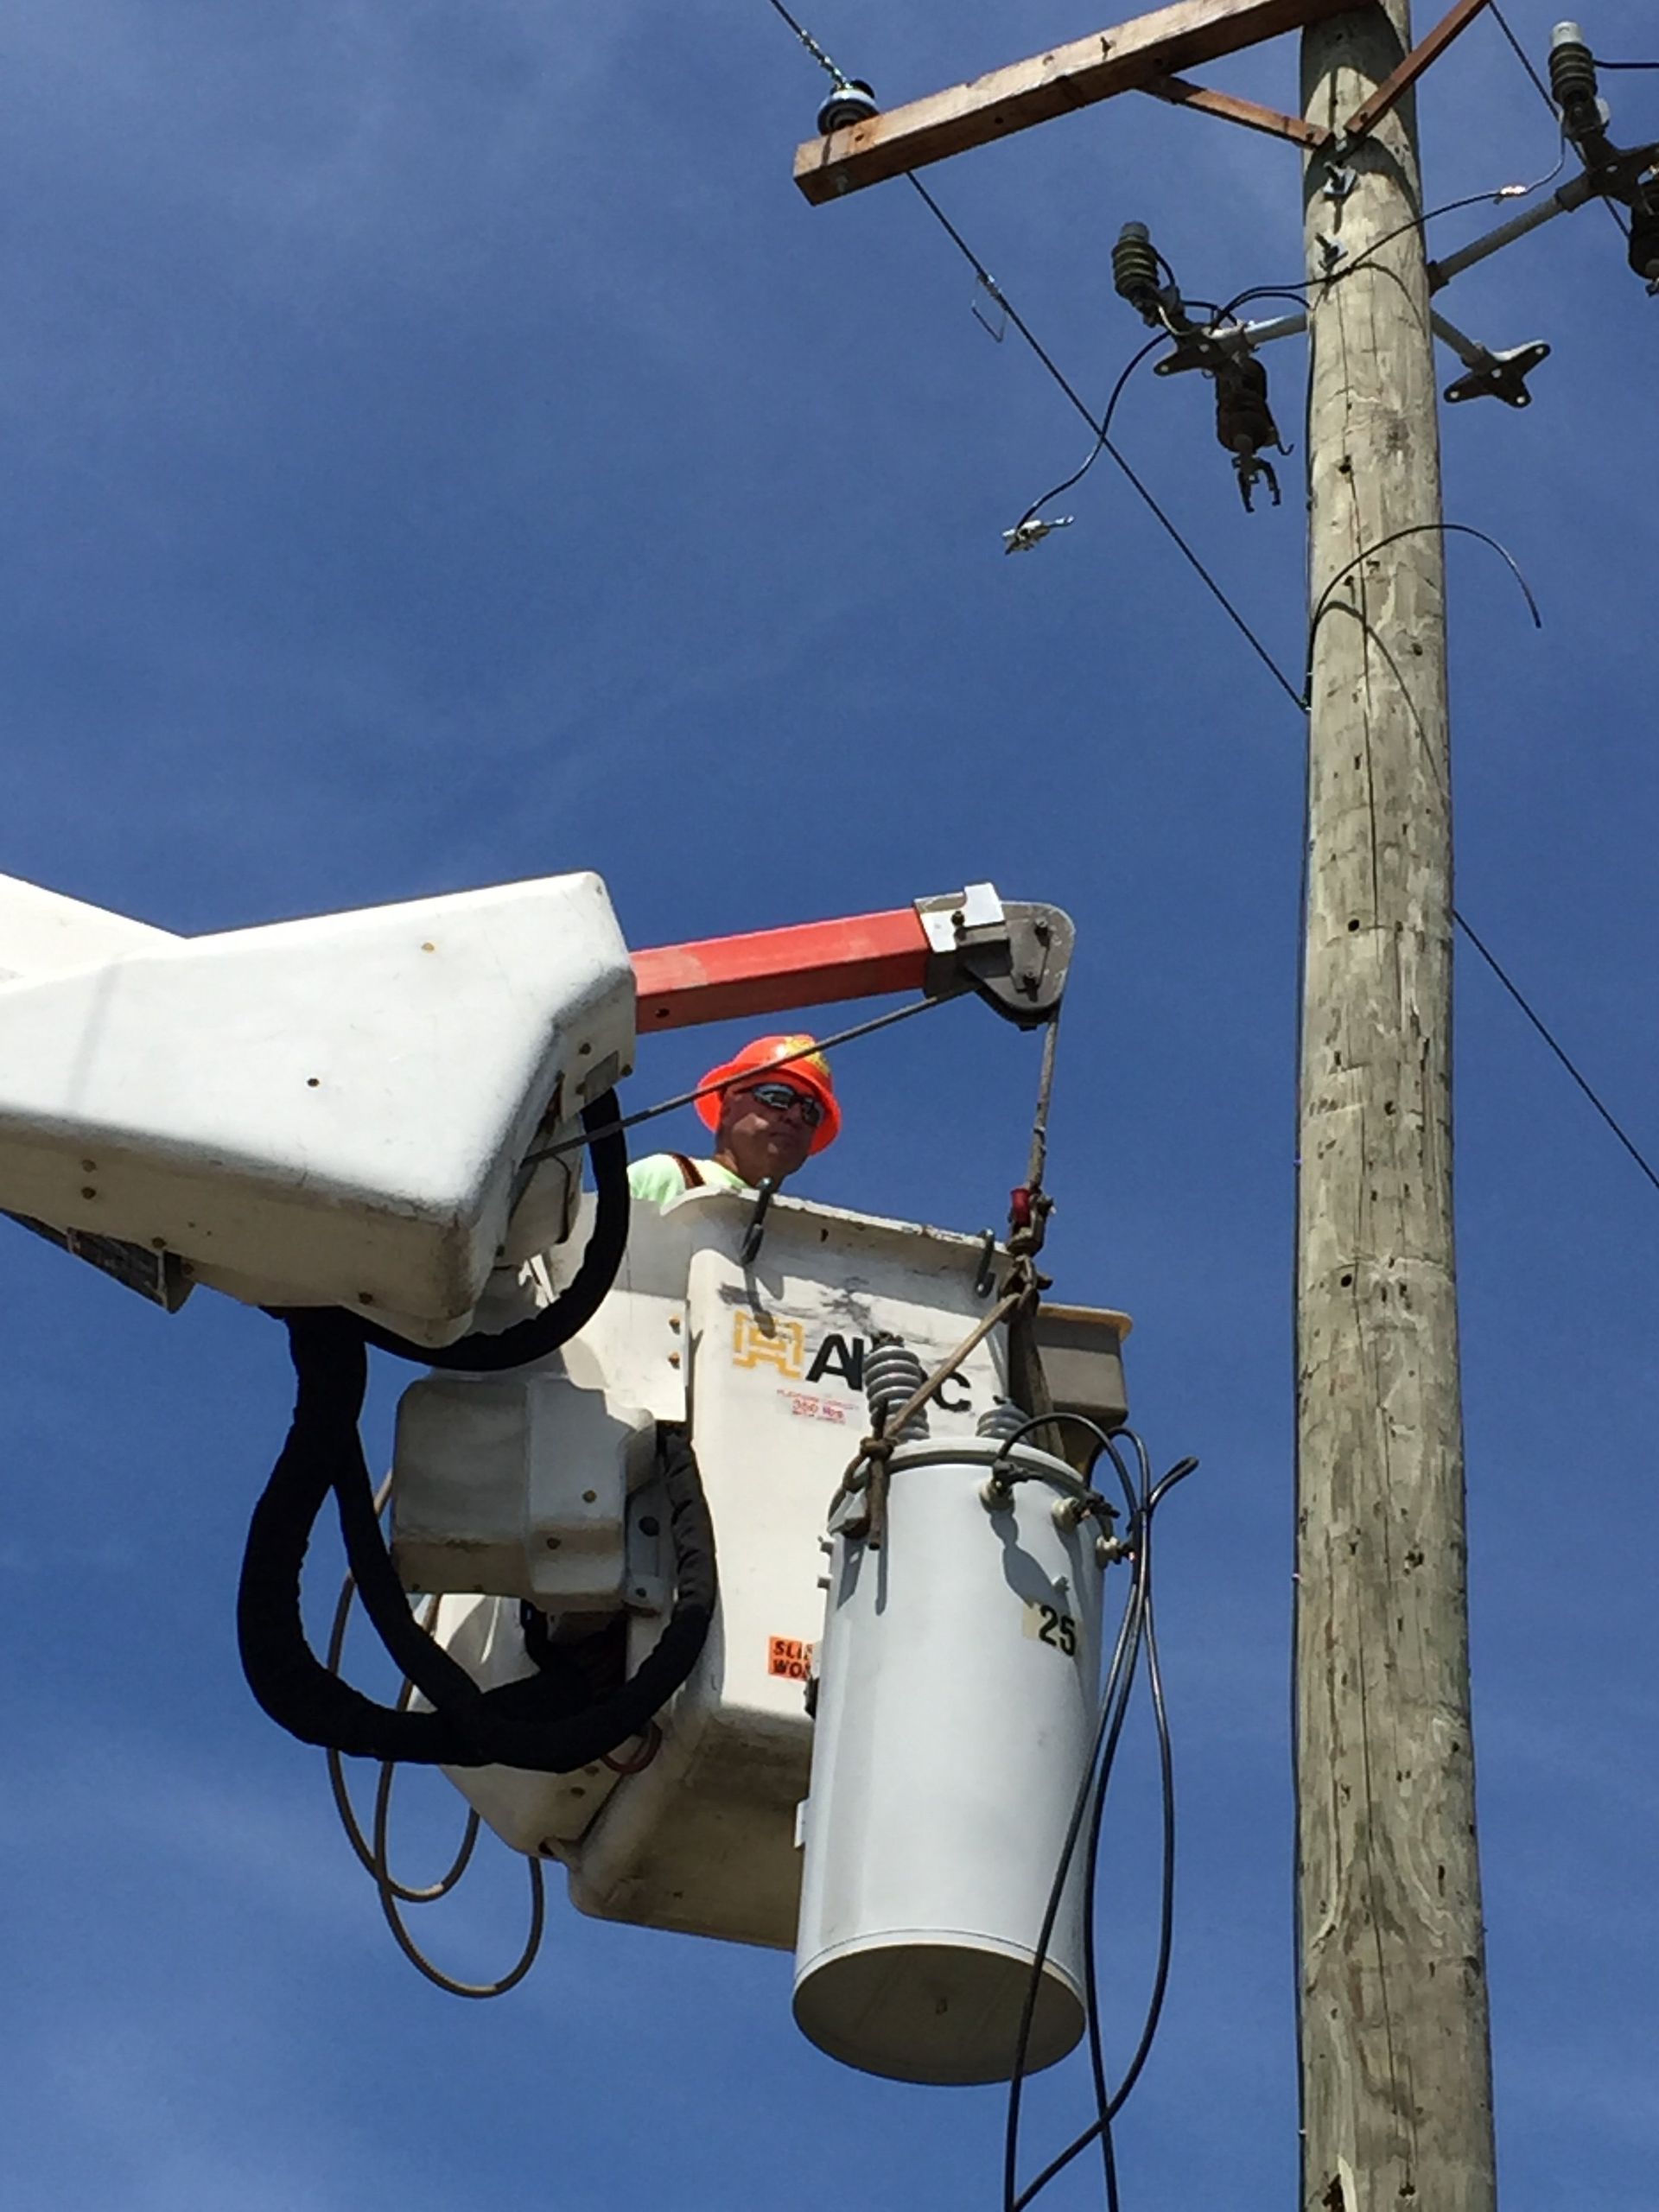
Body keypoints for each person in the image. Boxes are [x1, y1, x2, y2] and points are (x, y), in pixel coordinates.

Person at [627, 1033, 841, 1208]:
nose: (795, 1116)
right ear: (728, 1107)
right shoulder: (667, 1176)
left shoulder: (798, 1235)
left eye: (812, 1111)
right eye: (777, 1096)